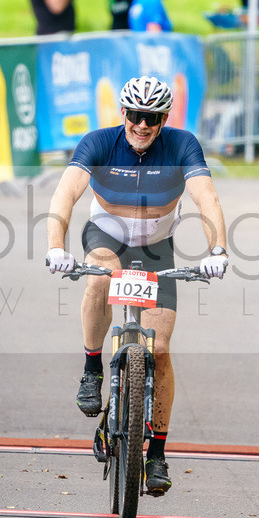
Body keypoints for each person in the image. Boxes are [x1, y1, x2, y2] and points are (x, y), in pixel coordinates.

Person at [46, 76, 228, 495]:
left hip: (156, 248)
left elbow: (207, 199)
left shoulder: (182, 145)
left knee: (160, 350)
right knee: (101, 273)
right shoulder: (98, 142)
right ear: (123, 114)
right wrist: (55, 246)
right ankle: (93, 367)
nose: (143, 126)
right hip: (106, 237)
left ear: (164, 118)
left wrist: (218, 250)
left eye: (153, 118)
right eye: (135, 116)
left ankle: (158, 453)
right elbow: (64, 195)